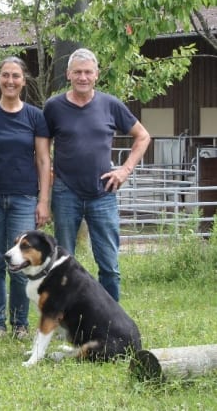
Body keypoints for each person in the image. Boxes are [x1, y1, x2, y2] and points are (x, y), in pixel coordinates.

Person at [43, 48, 150, 301]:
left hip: (103, 193)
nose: (83, 77)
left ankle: (111, 323)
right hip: (65, 191)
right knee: (62, 264)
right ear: (68, 74)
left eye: (88, 72)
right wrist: (47, 174)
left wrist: (125, 170)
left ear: (96, 75)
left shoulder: (110, 104)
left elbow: (143, 136)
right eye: (77, 72)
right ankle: (66, 318)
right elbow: (42, 144)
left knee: (109, 265)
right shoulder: (53, 106)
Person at [0, 56, 52, 340]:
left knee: (20, 263)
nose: (10, 81)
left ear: (23, 81)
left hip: (24, 198)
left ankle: (20, 324)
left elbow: (43, 161)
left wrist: (43, 200)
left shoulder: (35, 117)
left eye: (16, 76)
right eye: (5, 75)